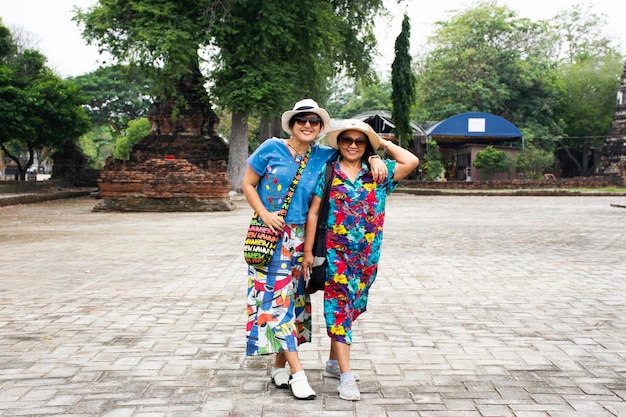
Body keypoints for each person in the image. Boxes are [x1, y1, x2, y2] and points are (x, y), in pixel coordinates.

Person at [242, 100, 389, 400]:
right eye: (301, 120)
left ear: (321, 128)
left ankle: (279, 365)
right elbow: (247, 184)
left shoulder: (323, 155)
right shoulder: (271, 148)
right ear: (292, 124)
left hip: (303, 239)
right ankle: (298, 374)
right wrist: (264, 212)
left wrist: (375, 157)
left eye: (314, 122)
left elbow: (354, 148)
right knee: (276, 304)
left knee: (295, 302)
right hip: (272, 234)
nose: (307, 126)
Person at [302, 119, 419, 401]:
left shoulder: (378, 172)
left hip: (366, 257)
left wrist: (382, 147)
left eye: (359, 141)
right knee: (339, 309)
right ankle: (345, 376)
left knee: (351, 308)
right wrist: (307, 252)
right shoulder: (329, 172)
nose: (352, 146)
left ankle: (332, 363)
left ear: (366, 145)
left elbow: (412, 160)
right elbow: (314, 213)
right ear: (339, 144)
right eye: (347, 140)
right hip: (335, 254)